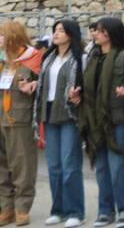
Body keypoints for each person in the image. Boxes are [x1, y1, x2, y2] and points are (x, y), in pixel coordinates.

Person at [78, 18, 124, 228]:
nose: (96, 34)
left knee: (119, 166)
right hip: (95, 119)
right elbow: (87, 86)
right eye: (96, 31)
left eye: (101, 31)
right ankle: (105, 211)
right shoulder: (93, 57)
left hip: (118, 118)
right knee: (101, 167)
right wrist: (78, 96)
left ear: (111, 33)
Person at [32, 20, 85, 228]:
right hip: (49, 113)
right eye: (55, 30)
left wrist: (78, 96)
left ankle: (75, 212)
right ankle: (58, 210)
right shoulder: (48, 57)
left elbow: (84, 85)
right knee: (53, 165)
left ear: (71, 35)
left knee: (70, 165)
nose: (56, 34)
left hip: (69, 114)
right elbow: (44, 82)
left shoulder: (79, 58)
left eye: (61, 30)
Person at [0, 22, 42, 227]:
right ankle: (6, 208)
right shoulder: (2, 61)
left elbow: (42, 87)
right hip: (0, 119)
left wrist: (33, 87)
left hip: (19, 120)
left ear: (12, 36)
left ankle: (22, 208)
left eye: (1, 35)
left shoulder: (32, 60)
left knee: (22, 166)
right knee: (1, 167)